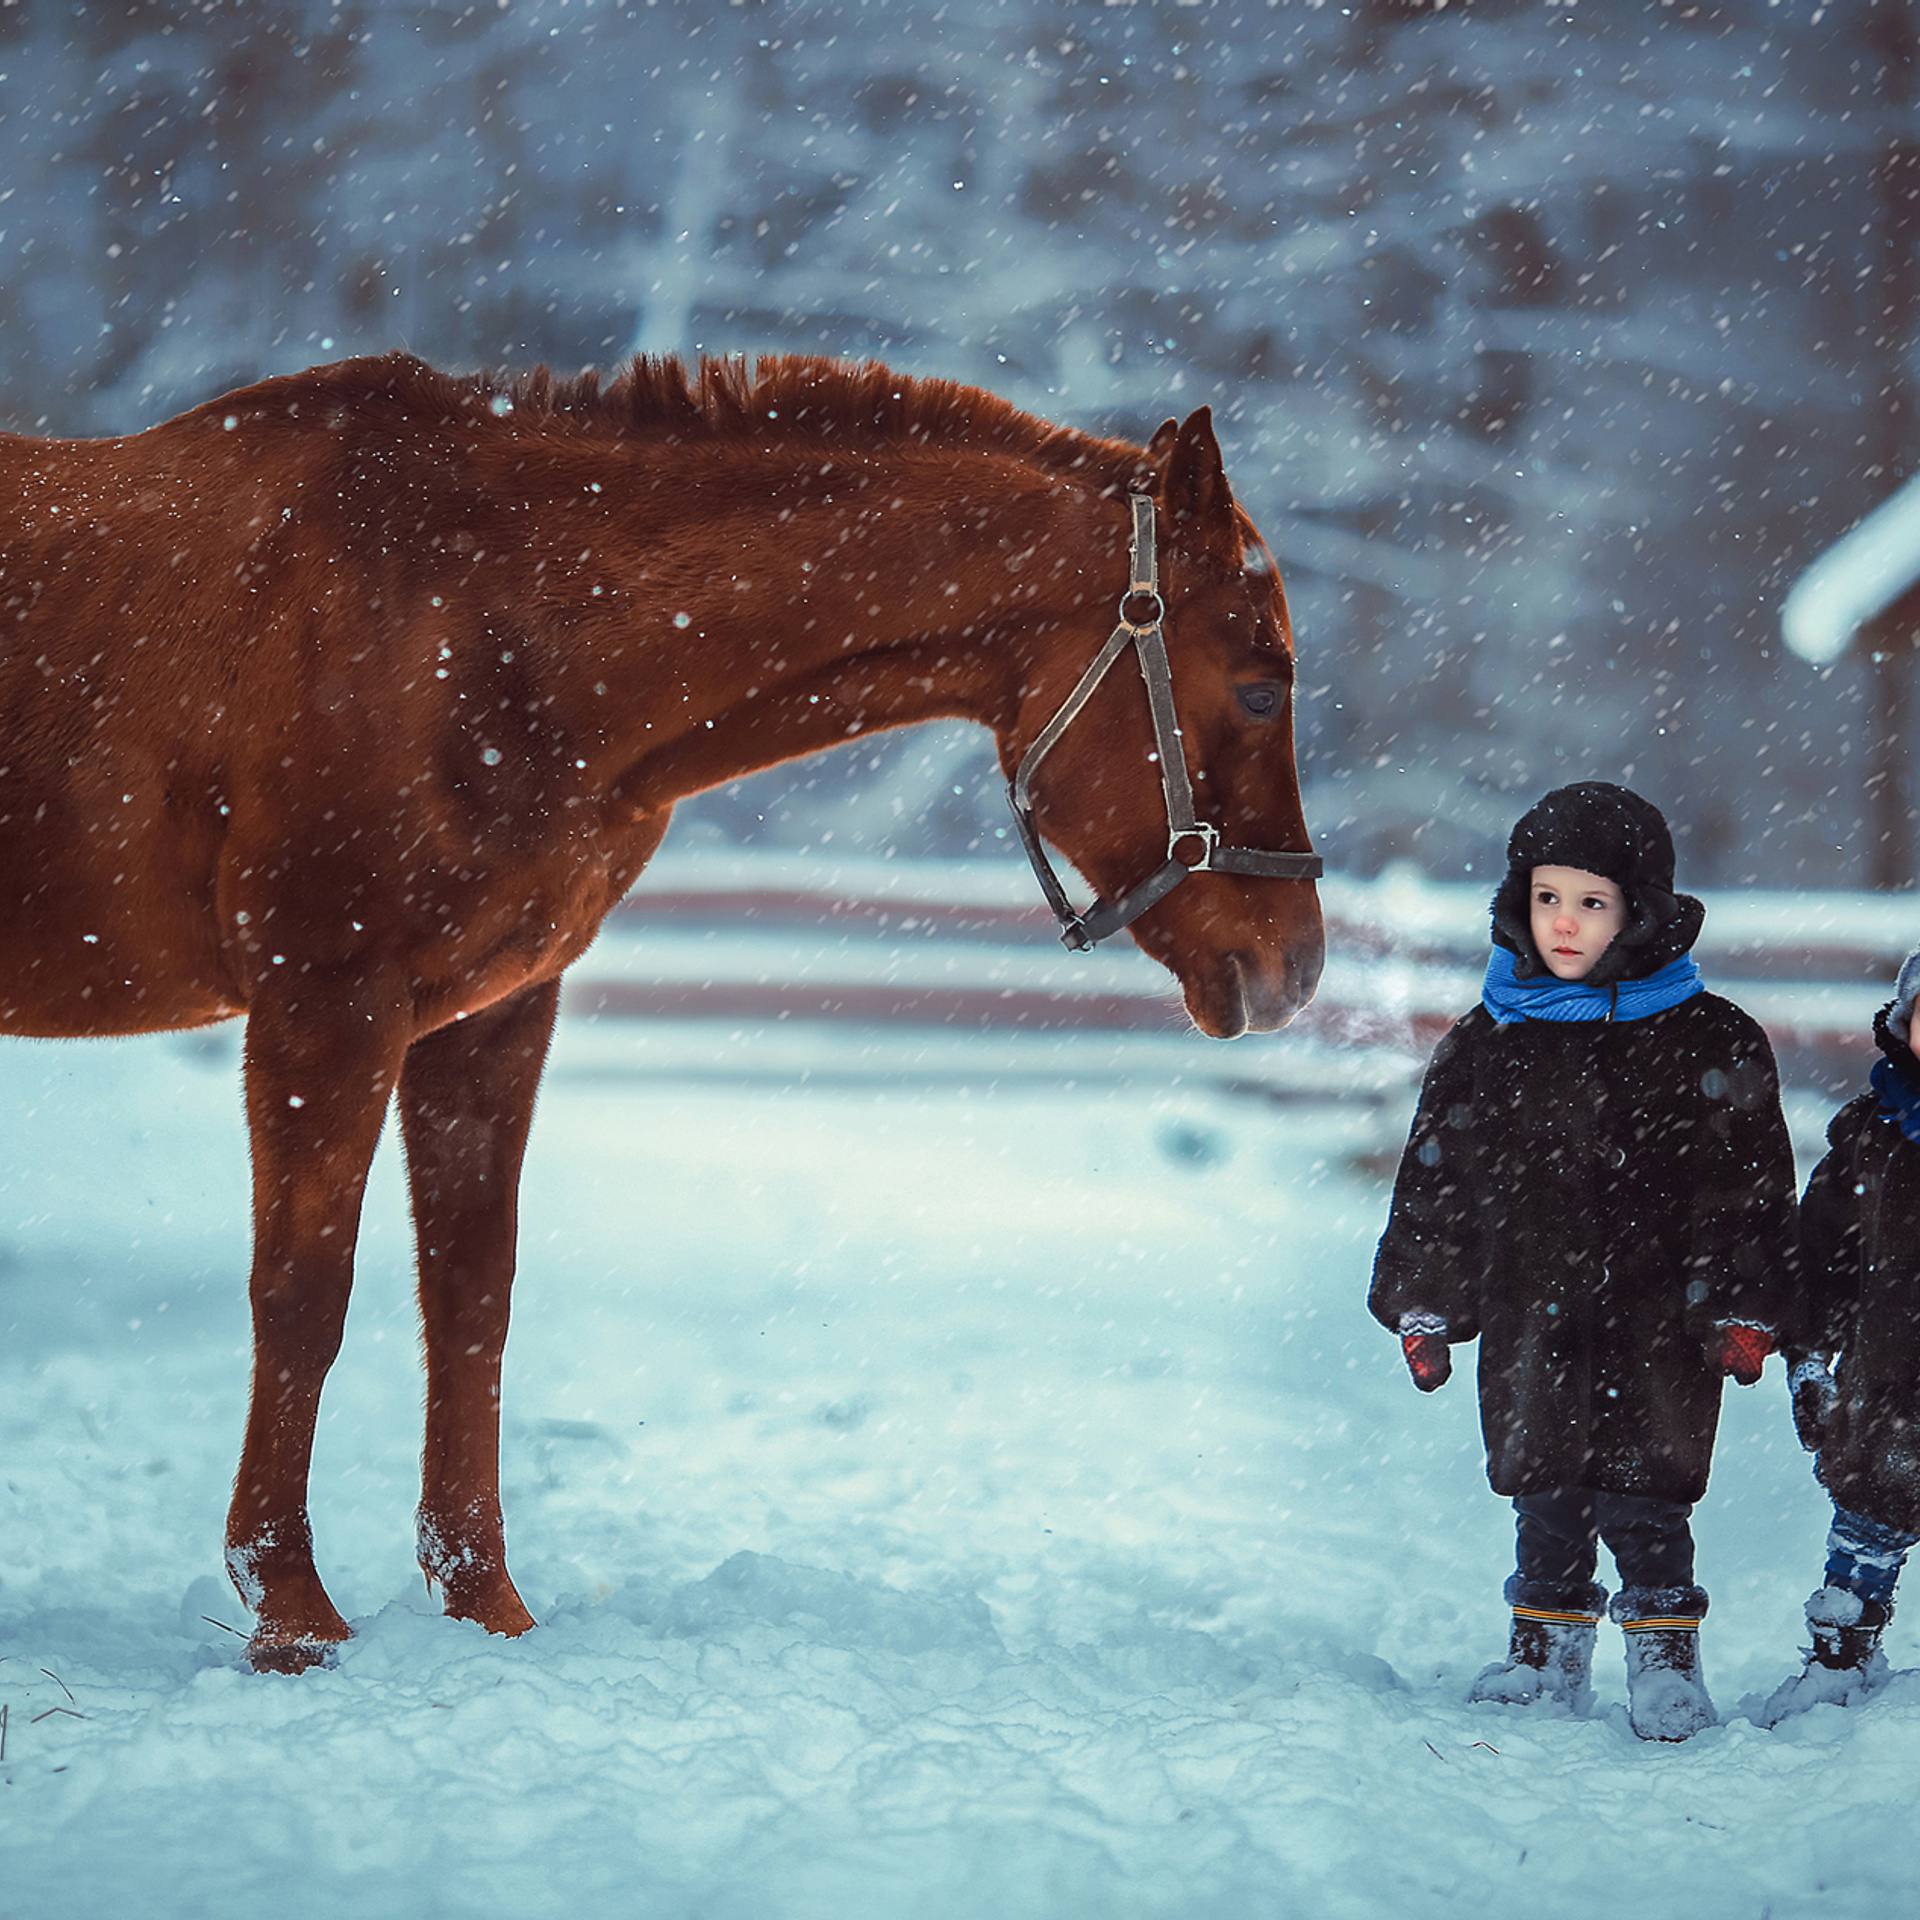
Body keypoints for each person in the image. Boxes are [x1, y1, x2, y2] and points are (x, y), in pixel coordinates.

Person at [1368, 782, 1797, 1741]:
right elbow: (1442, 1185)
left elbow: (1748, 1191)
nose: (1565, 923)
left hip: (1660, 1313)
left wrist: (1739, 1304)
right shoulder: (1490, 1041)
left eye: (1593, 903)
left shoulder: (1710, 1040)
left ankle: (1665, 1656)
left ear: (1639, 911)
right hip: (1533, 1305)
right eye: (1547, 898)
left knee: (1648, 1489)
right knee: (1547, 1486)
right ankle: (1545, 1652)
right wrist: (1428, 1302)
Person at [1760, 944, 1920, 1724]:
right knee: (1868, 1525)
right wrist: (1809, 1356)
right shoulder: (1871, 1132)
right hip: (1890, 1381)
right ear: (1903, 1022)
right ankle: (1838, 1661)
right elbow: (1819, 1258)